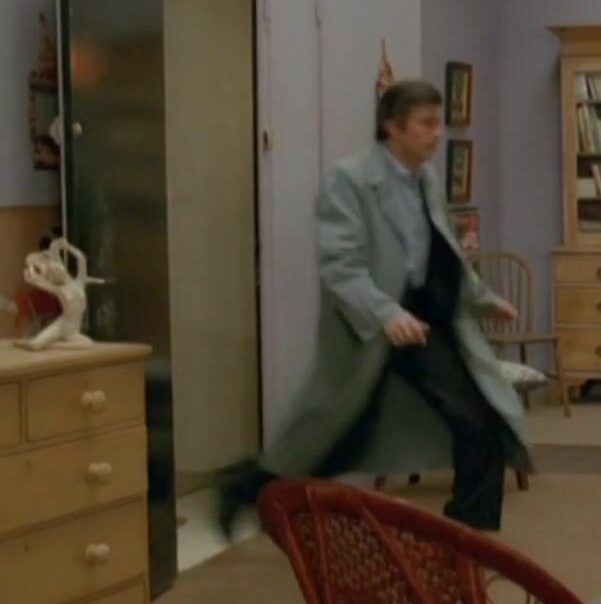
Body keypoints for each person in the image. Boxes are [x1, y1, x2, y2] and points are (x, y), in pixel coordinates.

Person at [214, 79, 530, 535]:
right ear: (393, 127)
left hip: (424, 319)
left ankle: (467, 535)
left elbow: (443, 250)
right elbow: (341, 265)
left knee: (477, 420)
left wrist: (482, 298)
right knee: (337, 437)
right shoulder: (349, 179)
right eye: (426, 124)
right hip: (374, 325)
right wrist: (386, 313)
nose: (437, 133)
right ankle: (245, 485)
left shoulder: (426, 179)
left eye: (438, 123)